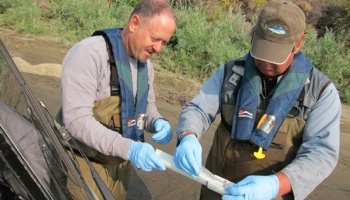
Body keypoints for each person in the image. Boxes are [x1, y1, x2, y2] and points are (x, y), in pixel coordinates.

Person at [173, 1, 341, 199]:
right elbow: (198, 109)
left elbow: (321, 153)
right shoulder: (230, 73)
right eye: (262, 51)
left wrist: (276, 185)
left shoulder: (321, 92)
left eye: (276, 56)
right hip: (216, 190)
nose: (267, 63)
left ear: (299, 43)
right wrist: (188, 135)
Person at [59, 0, 176, 199]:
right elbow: (77, 121)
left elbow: (147, 107)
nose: (159, 48)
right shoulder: (90, 54)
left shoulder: (145, 65)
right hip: (83, 163)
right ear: (134, 23)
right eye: (155, 38)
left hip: (120, 166)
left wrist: (158, 122)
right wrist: (130, 148)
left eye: (163, 42)